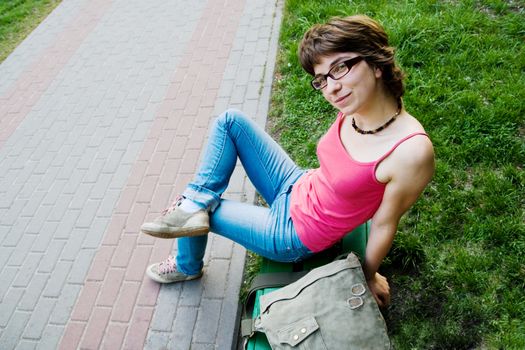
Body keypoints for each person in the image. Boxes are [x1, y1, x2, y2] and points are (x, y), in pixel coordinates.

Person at [141, 14, 435, 307]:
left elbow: (385, 223)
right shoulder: (357, 108)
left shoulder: (409, 152)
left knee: (202, 213)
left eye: (341, 67)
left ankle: (187, 262)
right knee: (231, 122)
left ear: (376, 64)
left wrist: (368, 276)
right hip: (296, 184)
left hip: (293, 233)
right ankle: (194, 201)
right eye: (322, 79)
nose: (331, 88)